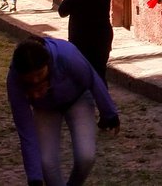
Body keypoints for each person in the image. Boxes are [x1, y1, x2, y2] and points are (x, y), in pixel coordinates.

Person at [7, 36, 120, 186]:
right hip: (44, 108)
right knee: (46, 163)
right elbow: (26, 130)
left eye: (39, 75)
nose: (35, 81)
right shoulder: (14, 80)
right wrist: (34, 177)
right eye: (30, 79)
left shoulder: (67, 55)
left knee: (86, 157)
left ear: (48, 64)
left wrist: (109, 113)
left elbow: (92, 79)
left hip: (78, 99)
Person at [58, 0, 113, 81]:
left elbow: (62, 12)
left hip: (81, 37)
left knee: (81, 73)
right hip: (102, 36)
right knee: (100, 71)